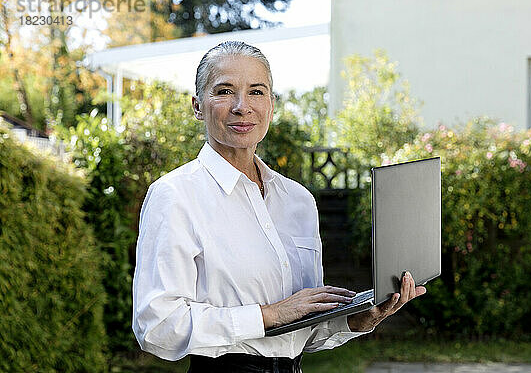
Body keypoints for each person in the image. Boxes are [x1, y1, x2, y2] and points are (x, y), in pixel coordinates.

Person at [132, 41, 426, 373]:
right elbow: (156, 327)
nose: (242, 107)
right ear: (198, 106)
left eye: (257, 92)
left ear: (272, 105)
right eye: (225, 91)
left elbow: (301, 325)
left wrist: (355, 320)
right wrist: (269, 314)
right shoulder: (175, 195)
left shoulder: (298, 200)